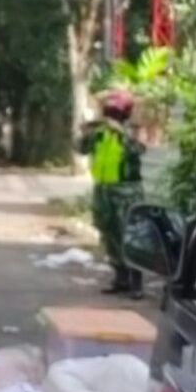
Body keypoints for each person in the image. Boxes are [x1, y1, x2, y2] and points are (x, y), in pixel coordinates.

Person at [80, 90, 145, 299]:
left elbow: (139, 150)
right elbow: (80, 148)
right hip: (103, 189)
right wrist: (86, 131)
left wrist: (121, 132)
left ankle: (136, 281)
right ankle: (120, 277)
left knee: (129, 235)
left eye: (114, 113)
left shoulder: (130, 133)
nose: (110, 118)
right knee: (107, 232)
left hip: (126, 191)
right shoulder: (99, 133)